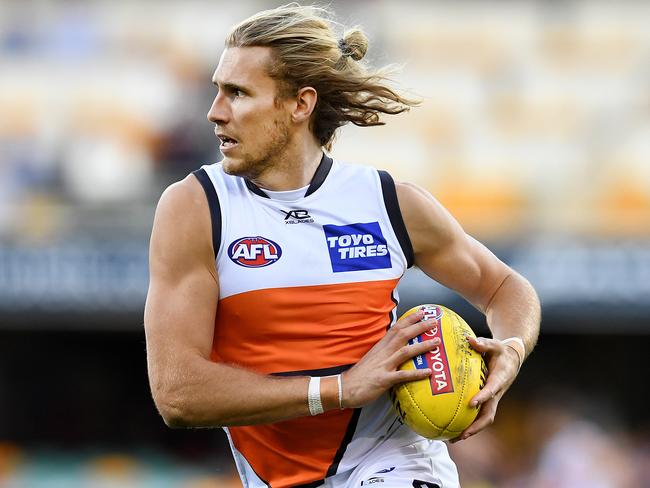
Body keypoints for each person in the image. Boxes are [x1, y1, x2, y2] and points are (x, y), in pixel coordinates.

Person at [144, 4, 540, 487]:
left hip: (395, 459)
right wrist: (338, 389)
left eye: (238, 93)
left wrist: (512, 351)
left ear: (299, 104)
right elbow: (177, 394)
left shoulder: (389, 201)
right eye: (217, 91)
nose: (215, 111)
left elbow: (504, 288)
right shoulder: (195, 208)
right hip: (274, 475)